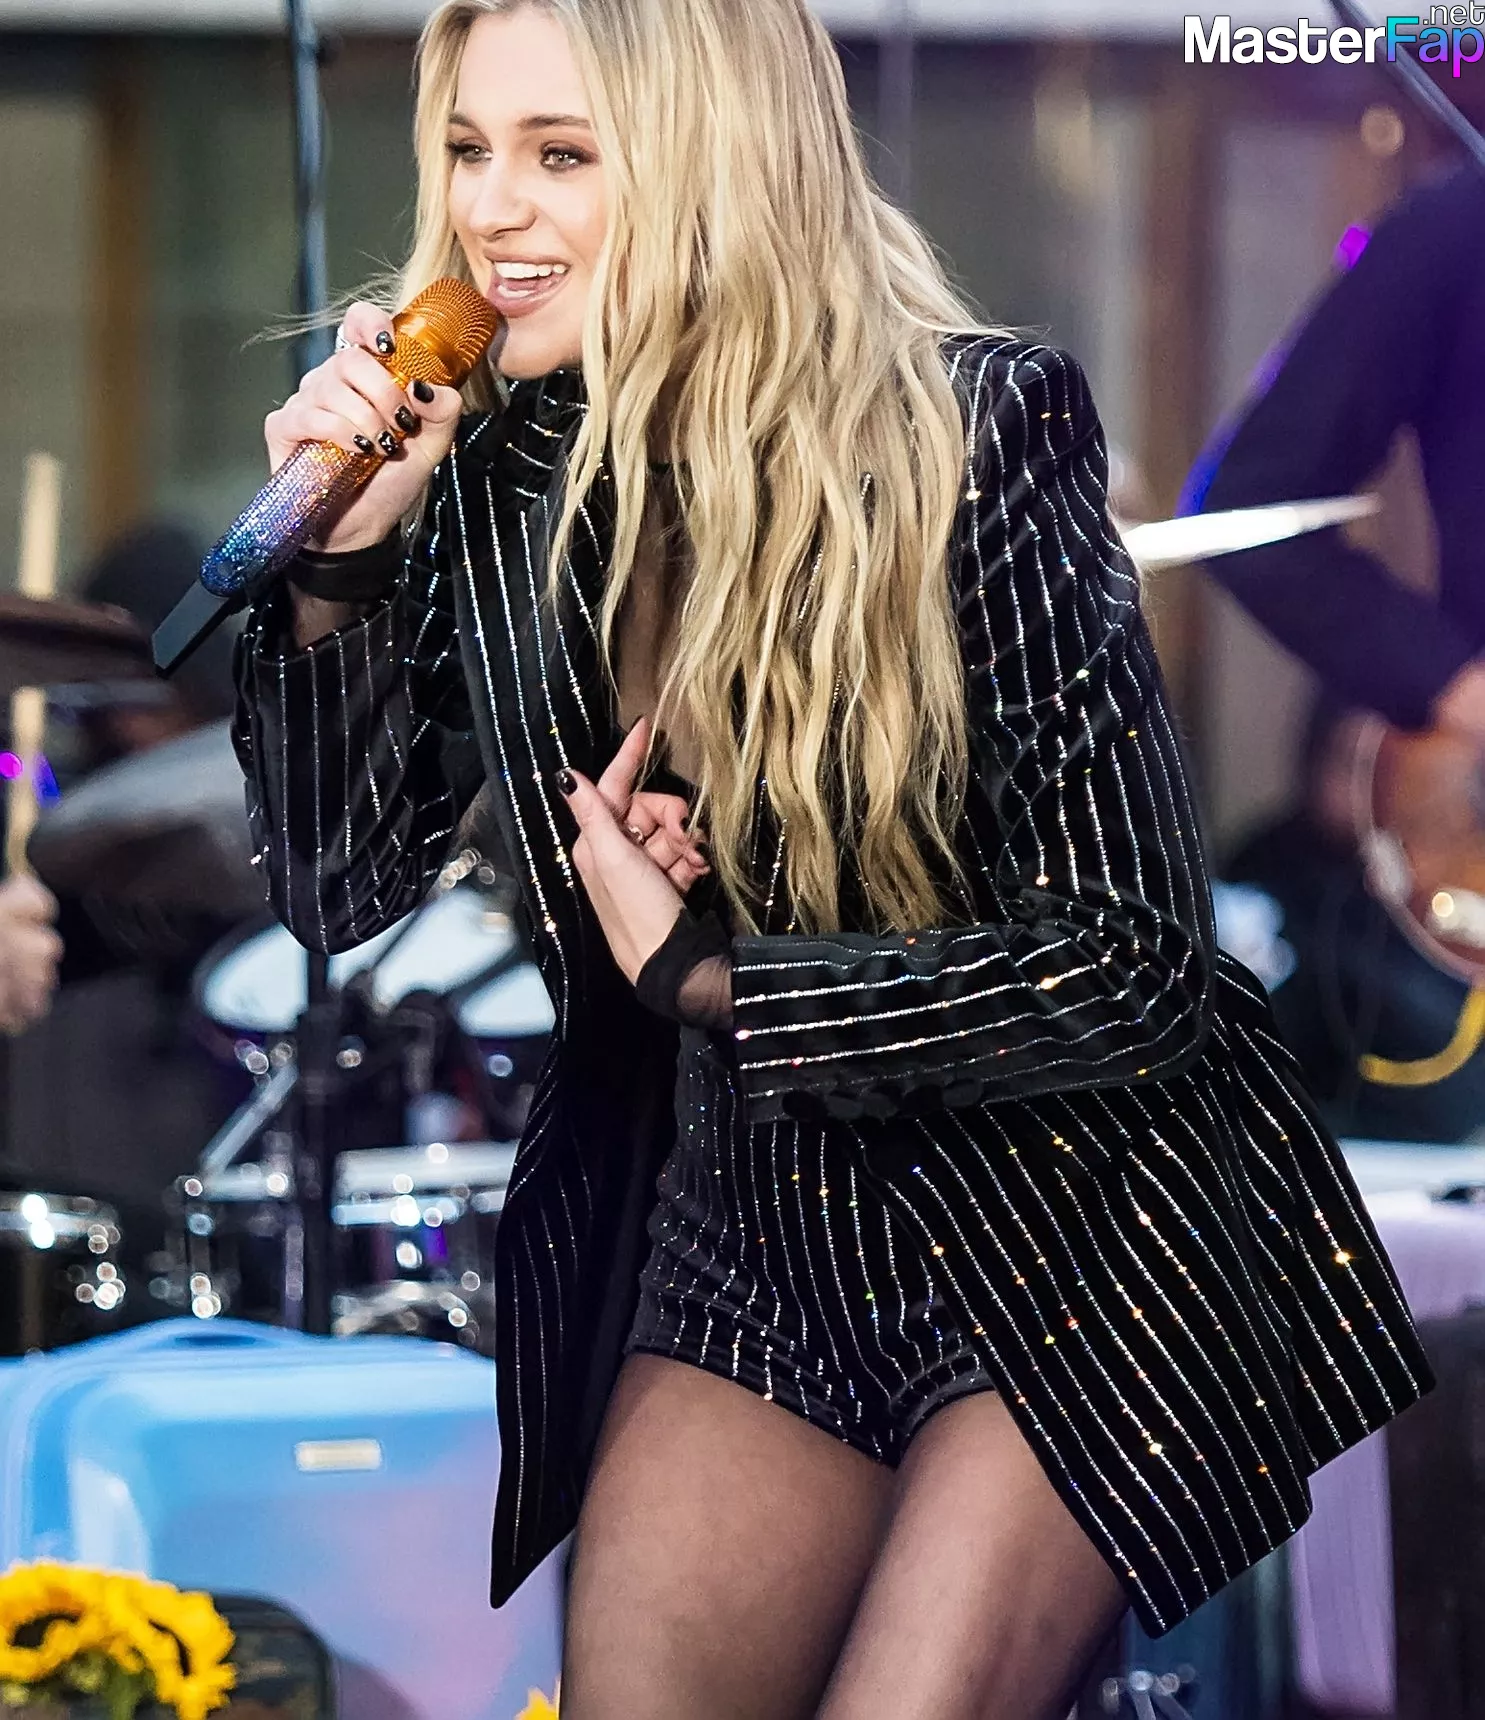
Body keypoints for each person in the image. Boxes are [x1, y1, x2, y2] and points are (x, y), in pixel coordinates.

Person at [232, 2, 1429, 1713]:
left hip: (1068, 1222)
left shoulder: (974, 429)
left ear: (711, 157)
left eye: (562, 154)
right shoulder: (490, 473)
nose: (491, 208)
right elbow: (338, 888)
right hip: (761, 1224)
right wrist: (338, 570)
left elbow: (1135, 964)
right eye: (470, 150)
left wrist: (722, 975)